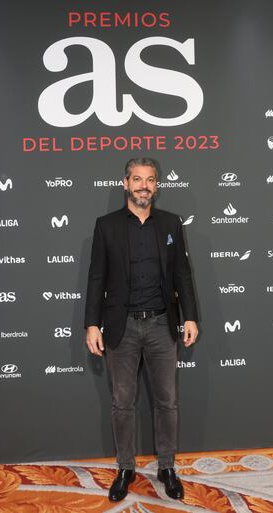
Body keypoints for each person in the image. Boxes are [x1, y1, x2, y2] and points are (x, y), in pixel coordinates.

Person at [84, 157, 199, 502]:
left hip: (163, 324)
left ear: (157, 185)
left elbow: (182, 273)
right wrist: (92, 323)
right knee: (123, 403)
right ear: (126, 184)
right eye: (137, 179)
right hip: (123, 327)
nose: (143, 185)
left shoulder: (171, 224)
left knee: (167, 402)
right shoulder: (106, 226)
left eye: (150, 180)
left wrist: (190, 316)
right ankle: (125, 467)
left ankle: (167, 467)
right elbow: (96, 278)